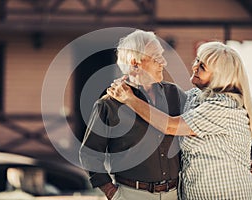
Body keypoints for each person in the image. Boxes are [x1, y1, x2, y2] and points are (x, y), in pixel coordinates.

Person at [107, 41, 252, 199]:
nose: (194, 67)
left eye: (202, 67)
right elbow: (163, 106)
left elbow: (170, 126)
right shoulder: (195, 97)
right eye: (197, 61)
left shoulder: (223, 106)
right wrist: (132, 83)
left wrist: (129, 99)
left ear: (219, 76)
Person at [79, 29, 187, 200]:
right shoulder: (108, 105)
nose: (164, 62)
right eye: (157, 57)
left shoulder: (176, 95)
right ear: (135, 63)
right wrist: (112, 193)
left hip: (174, 194)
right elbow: (90, 154)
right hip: (131, 194)